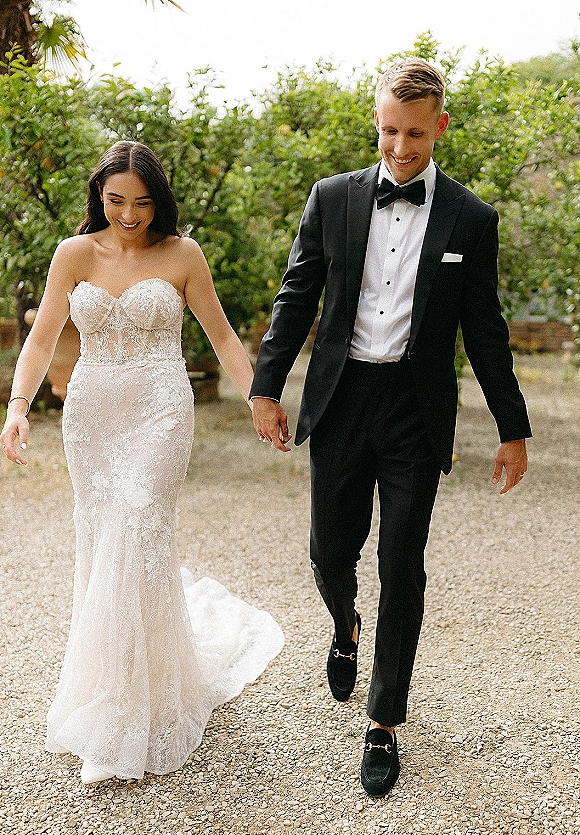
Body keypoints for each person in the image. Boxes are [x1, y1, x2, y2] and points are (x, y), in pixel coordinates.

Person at [250, 58, 531, 797]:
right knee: (329, 555)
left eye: (414, 133)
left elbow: (487, 330)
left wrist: (512, 427)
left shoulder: (471, 218)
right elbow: (295, 297)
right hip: (341, 402)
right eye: (387, 132)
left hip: (414, 409)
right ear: (375, 123)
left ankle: (384, 722)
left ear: (439, 126)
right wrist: (266, 388)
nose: (400, 148)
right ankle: (343, 627)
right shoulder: (332, 198)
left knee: (402, 564)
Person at [0, 141, 284, 784]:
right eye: (116, 201)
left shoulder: (183, 255)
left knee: (136, 526)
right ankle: (117, 689)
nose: (129, 214)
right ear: (100, 196)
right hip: (94, 414)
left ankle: (133, 707)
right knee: (103, 544)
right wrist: (17, 407)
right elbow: (44, 334)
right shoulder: (74, 255)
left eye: (142, 202)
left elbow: (221, 335)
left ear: (160, 200)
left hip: (159, 408)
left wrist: (258, 400)